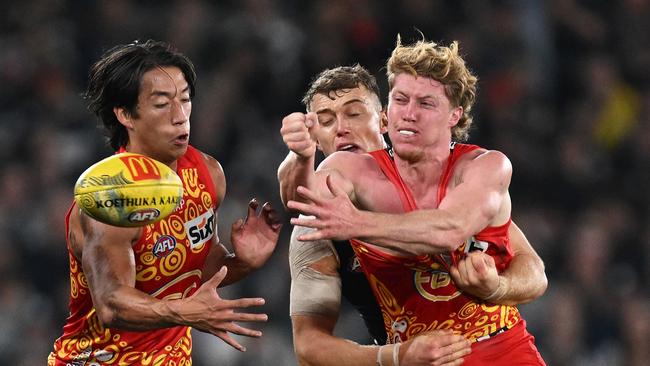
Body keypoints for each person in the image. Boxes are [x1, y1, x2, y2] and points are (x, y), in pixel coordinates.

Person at [279, 64, 547, 365]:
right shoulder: (316, 228)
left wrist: (498, 287)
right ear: (314, 137)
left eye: (354, 114)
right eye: (325, 122)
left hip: (499, 346)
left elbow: (534, 272)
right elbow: (308, 346)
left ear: (384, 120)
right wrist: (395, 356)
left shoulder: (440, 173)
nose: (341, 128)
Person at [48, 40, 282, 366]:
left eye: (185, 100)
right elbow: (112, 303)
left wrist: (242, 262)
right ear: (125, 114)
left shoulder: (208, 174)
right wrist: (184, 312)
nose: (180, 116)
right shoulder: (109, 200)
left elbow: (192, 274)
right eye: (161, 104)